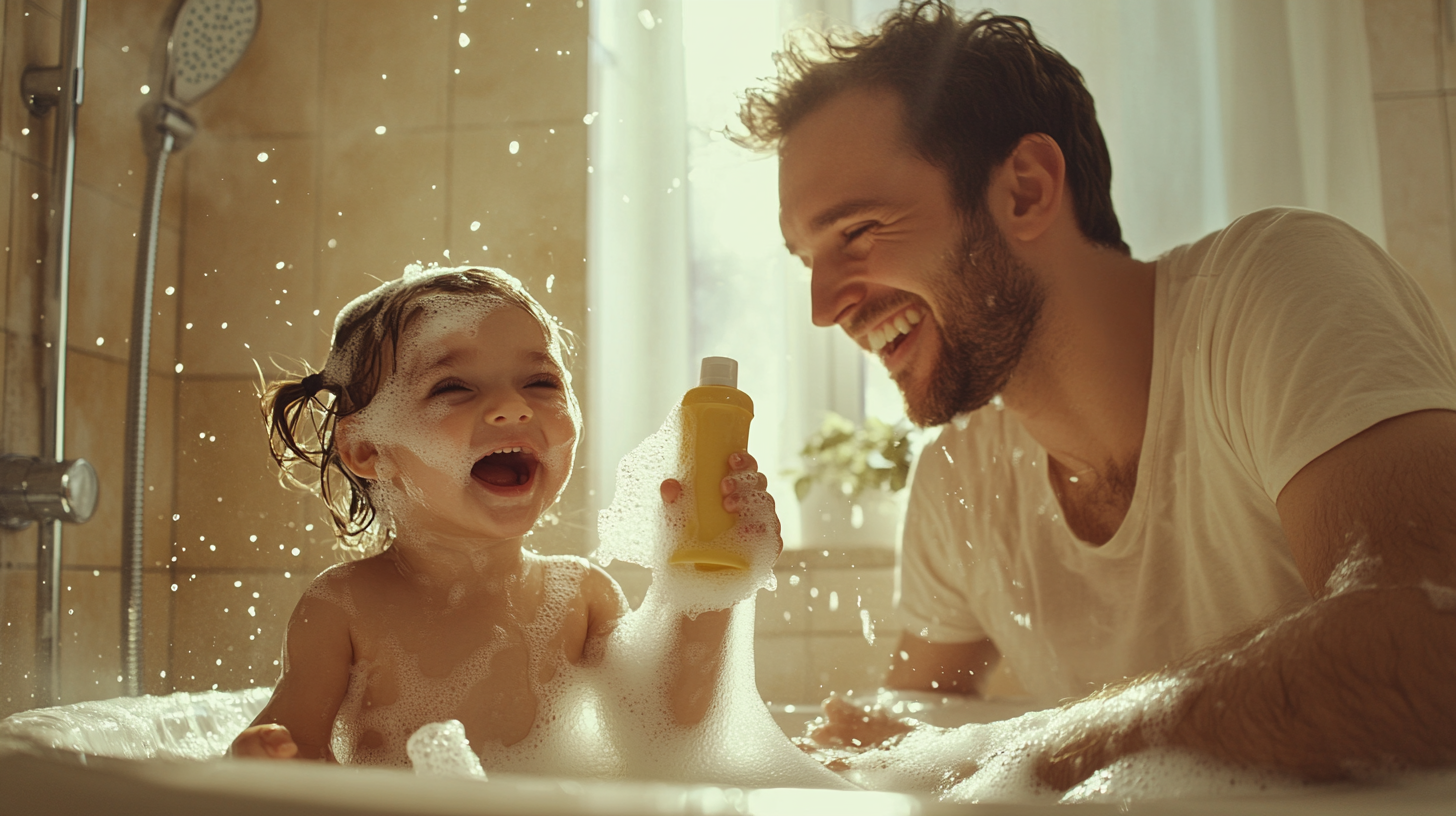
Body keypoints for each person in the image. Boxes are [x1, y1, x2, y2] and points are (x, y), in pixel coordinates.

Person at [738, 0, 1456, 789]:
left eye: (858, 232)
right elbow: (906, 739)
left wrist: (1025, 746)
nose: (823, 305)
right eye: (808, 258)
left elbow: (1433, 635)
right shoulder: (962, 482)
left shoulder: (1276, 291)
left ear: (1025, 191)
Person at [230, 265, 779, 766]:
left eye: (540, 382)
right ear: (369, 450)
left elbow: (675, 725)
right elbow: (293, 742)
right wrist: (264, 759)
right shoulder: (343, 607)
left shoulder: (580, 596)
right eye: (453, 387)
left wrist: (711, 581)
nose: (514, 406)